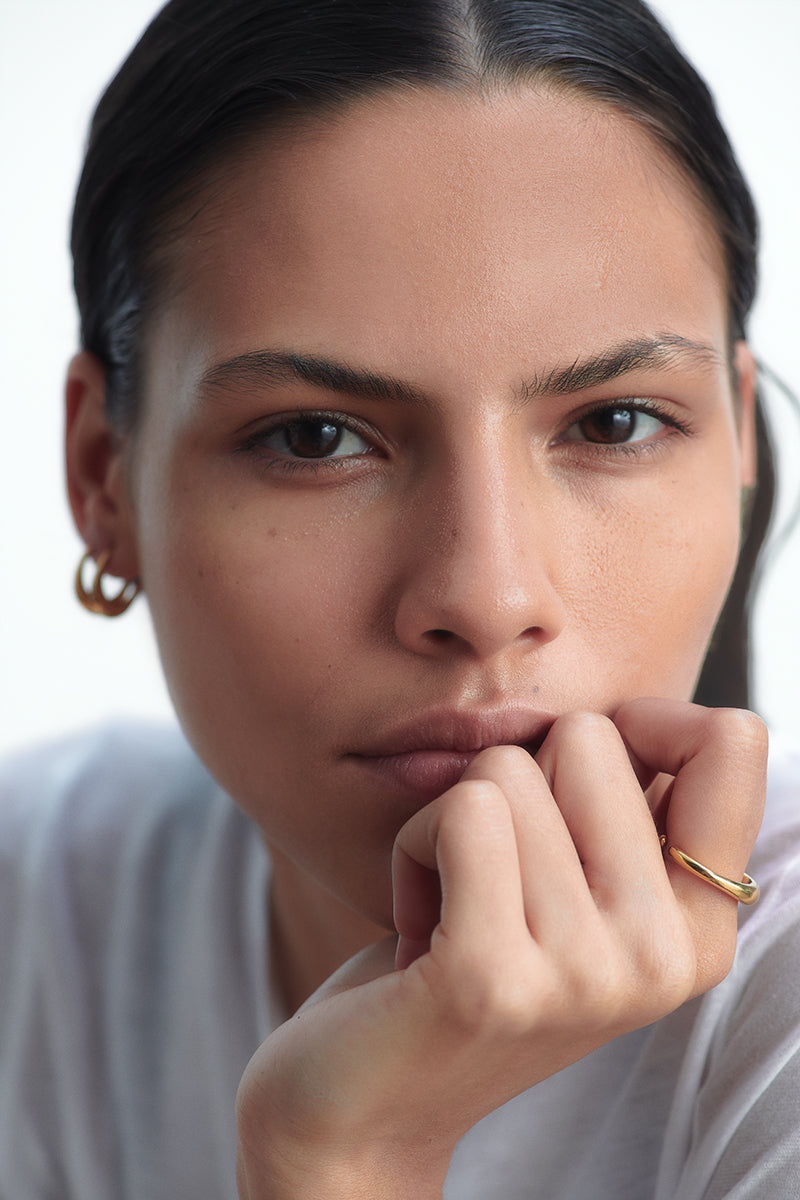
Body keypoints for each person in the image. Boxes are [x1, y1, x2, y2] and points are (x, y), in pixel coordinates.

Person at [1, 0, 798, 1196]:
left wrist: (345, 1158)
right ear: (101, 478)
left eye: (613, 420)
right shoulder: (35, 906)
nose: (485, 595)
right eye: (317, 437)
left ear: (733, 436)